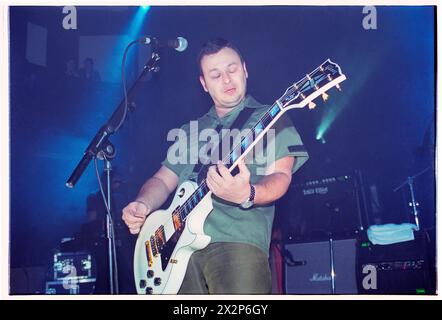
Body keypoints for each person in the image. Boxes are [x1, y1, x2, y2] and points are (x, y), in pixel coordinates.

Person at [122, 38, 309, 294]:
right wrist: (143, 203)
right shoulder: (190, 130)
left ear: (245, 69)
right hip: (178, 250)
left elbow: (280, 175)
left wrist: (247, 193)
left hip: (237, 241)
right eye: (215, 74)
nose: (227, 79)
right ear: (204, 84)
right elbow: (163, 180)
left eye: (232, 69)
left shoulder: (270, 119)